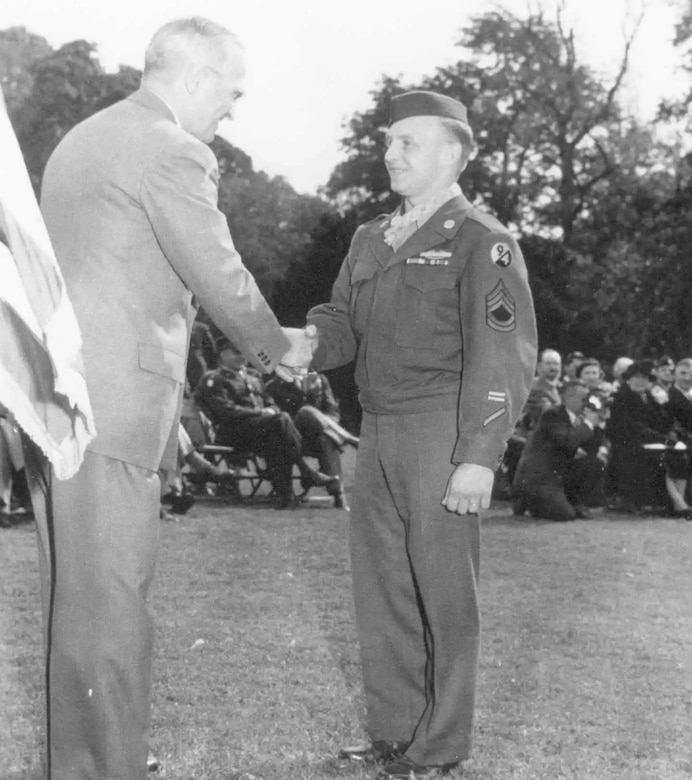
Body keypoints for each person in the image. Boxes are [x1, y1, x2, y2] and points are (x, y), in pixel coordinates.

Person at [26, 18, 310, 780]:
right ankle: (109, 767)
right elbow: (217, 272)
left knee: (77, 606)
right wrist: (283, 349)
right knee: (113, 607)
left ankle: (86, 763)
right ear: (192, 77)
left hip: (64, 403)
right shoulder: (175, 149)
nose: (231, 111)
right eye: (231, 91)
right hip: (115, 404)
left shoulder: (81, 139)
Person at [306, 90, 537, 779]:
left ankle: (439, 747)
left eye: (409, 142)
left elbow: (504, 355)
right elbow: (339, 328)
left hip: (442, 430)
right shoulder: (372, 237)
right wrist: (286, 345)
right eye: (388, 141)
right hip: (375, 431)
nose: (391, 154)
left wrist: (479, 457)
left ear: (454, 153)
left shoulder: (480, 240)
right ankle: (394, 732)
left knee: (443, 594)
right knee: (383, 592)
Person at [196, 337, 339, 508]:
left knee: (278, 436)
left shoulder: (254, 376)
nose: (242, 355)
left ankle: (285, 496)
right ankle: (306, 471)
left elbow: (269, 401)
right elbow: (225, 411)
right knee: (281, 421)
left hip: (259, 433)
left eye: (244, 351)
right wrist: (261, 413)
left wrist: (270, 410)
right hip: (233, 433)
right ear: (222, 354)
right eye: (236, 351)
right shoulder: (214, 378)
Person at [512, 381, 607, 521]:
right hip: (540, 477)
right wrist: (588, 424)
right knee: (565, 515)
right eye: (584, 399)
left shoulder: (581, 417)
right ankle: (526, 501)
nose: (588, 402)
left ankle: (577, 502)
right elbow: (568, 442)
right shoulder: (553, 415)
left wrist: (598, 424)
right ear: (569, 398)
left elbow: (591, 450)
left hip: (559, 474)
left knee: (594, 463)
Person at [265, 371, 357, 509]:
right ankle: (349, 438)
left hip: (315, 436)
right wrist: (302, 392)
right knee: (305, 411)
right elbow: (276, 416)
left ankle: (338, 493)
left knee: (325, 438)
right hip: (289, 437)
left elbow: (332, 411)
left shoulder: (320, 380)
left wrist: (323, 425)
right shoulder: (274, 385)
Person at [606, 360, 672, 513]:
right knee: (644, 454)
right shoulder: (620, 396)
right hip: (626, 442)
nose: (641, 381)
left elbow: (662, 423)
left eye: (645, 377)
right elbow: (630, 426)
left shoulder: (649, 397)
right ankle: (633, 500)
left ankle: (669, 501)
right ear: (628, 379)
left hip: (648, 439)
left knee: (674, 453)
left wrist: (663, 404)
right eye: (636, 377)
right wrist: (660, 438)